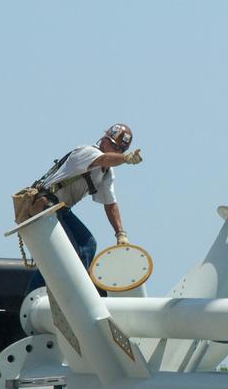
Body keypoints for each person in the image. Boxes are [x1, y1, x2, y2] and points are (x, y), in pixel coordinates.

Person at [25, 123, 143, 291]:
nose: (115, 151)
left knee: (88, 244)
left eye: (119, 150)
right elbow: (102, 159)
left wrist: (120, 233)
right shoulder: (87, 152)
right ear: (103, 140)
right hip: (45, 204)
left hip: (60, 209)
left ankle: (73, 288)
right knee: (63, 251)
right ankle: (37, 293)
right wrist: (125, 158)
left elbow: (110, 204)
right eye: (113, 146)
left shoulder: (106, 172)